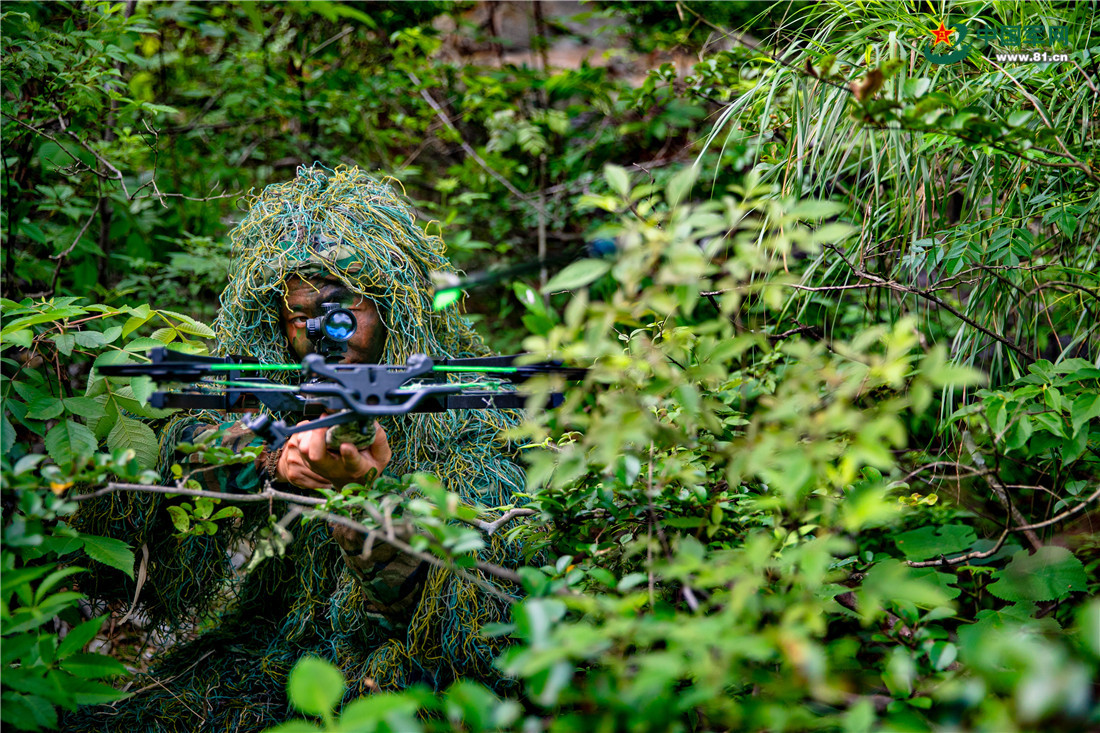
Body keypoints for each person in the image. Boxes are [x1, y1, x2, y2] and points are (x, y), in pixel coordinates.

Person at [71, 165, 529, 731]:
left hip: (399, 676)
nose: (322, 337)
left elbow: (484, 617)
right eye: (300, 317)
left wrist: (372, 506)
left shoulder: (470, 413)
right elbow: (186, 459)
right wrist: (271, 459)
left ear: (395, 307)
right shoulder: (275, 389)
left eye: (344, 312)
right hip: (278, 650)